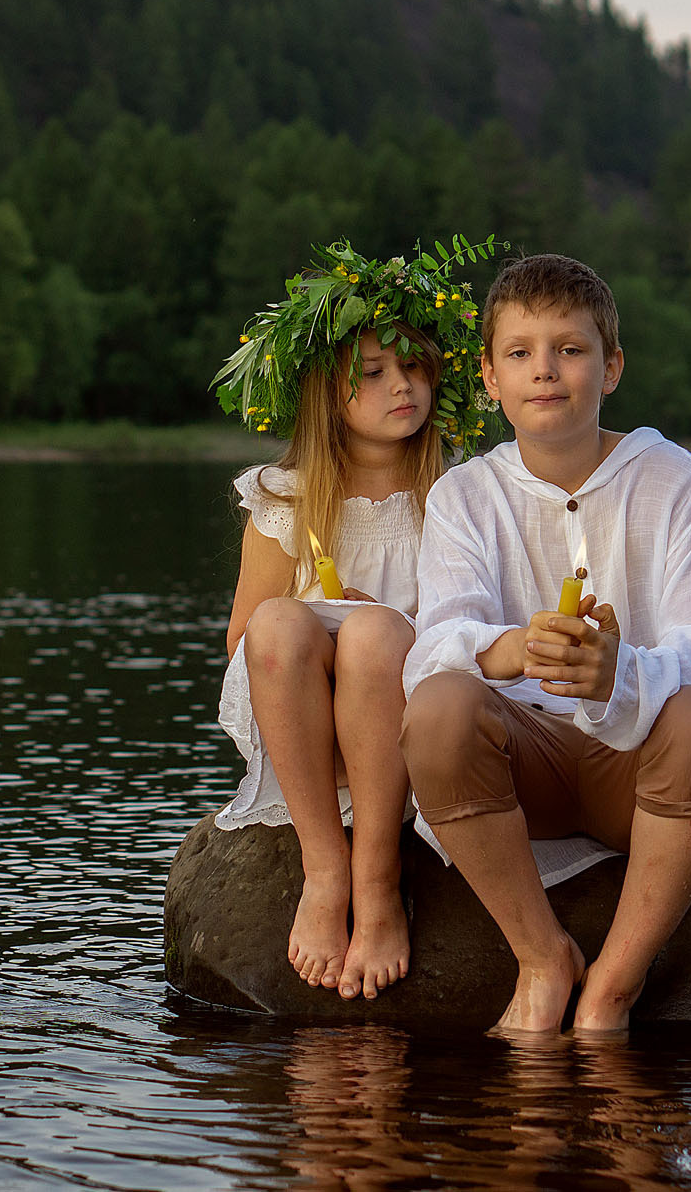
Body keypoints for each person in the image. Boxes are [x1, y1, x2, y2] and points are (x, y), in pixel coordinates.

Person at [400, 251, 691, 1036]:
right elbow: (431, 647)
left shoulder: (674, 479)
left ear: (612, 366)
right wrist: (519, 649)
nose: (545, 371)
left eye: (571, 349)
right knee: (441, 706)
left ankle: (613, 989)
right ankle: (542, 956)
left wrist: (618, 671)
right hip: (528, 769)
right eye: (520, 354)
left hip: (639, 768)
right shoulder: (466, 494)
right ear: (489, 379)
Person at [210, 236, 499, 1000]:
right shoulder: (284, 495)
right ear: (325, 393)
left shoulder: (460, 493)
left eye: (412, 368)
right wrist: (318, 614)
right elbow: (242, 639)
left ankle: (376, 882)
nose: (399, 386)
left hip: (404, 712)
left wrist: (389, 623)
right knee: (280, 621)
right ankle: (323, 869)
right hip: (304, 720)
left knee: (373, 632)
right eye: (371, 374)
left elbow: (478, 623)